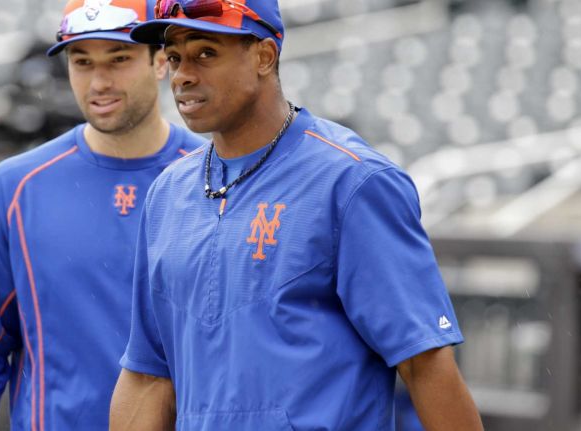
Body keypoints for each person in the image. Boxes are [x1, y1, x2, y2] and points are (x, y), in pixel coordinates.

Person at [109, 1, 484, 430]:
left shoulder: (352, 180)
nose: (183, 75)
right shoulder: (167, 194)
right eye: (174, 58)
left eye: (206, 53)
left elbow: (424, 363)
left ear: (264, 56)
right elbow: (147, 374)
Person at [0, 0, 204, 429]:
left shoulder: (217, 177)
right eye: (82, 61)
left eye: (119, 59)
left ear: (160, 62)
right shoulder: (15, 187)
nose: (99, 82)